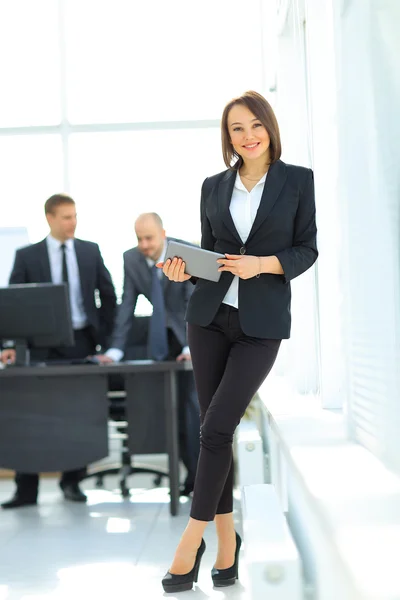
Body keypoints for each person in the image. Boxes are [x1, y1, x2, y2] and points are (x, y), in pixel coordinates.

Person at [158, 90, 318, 593]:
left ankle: (192, 540)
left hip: (261, 324)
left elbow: (306, 248)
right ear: (226, 137)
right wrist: (183, 272)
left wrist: (263, 265)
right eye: (235, 129)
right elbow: (209, 253)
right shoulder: (213, 186)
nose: (246, 137)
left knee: (215, 428)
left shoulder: (297, 181)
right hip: (207, 318)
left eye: (254, 126)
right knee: (215, 434)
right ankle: (227, 545)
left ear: (269, 128)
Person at [1, 193, 117, 509]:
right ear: (50, 218)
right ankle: (26, 489)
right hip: (38, 346)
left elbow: (108, 297)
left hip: (80, 341)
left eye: (75, 216)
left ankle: (72, 482)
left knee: (77, 413)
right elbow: (12, 304)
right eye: (66, 217)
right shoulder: (27, 256)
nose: (73, 223)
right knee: (28, 414)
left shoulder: (89, 251)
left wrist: (106, 342)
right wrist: (11, 346)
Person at [96, 213, 200, 496]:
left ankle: (197, 480)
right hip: (159, 341)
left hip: (190, 336)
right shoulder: (131, 259)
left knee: (191, 410)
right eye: (139, 238)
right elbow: (127, 304)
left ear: (163, 233)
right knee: (169, 408)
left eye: (149, 238)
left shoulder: (183, 252)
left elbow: (195, 300)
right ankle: (183, 477)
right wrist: (115, 350)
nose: (143, 244)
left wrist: (192, 346)